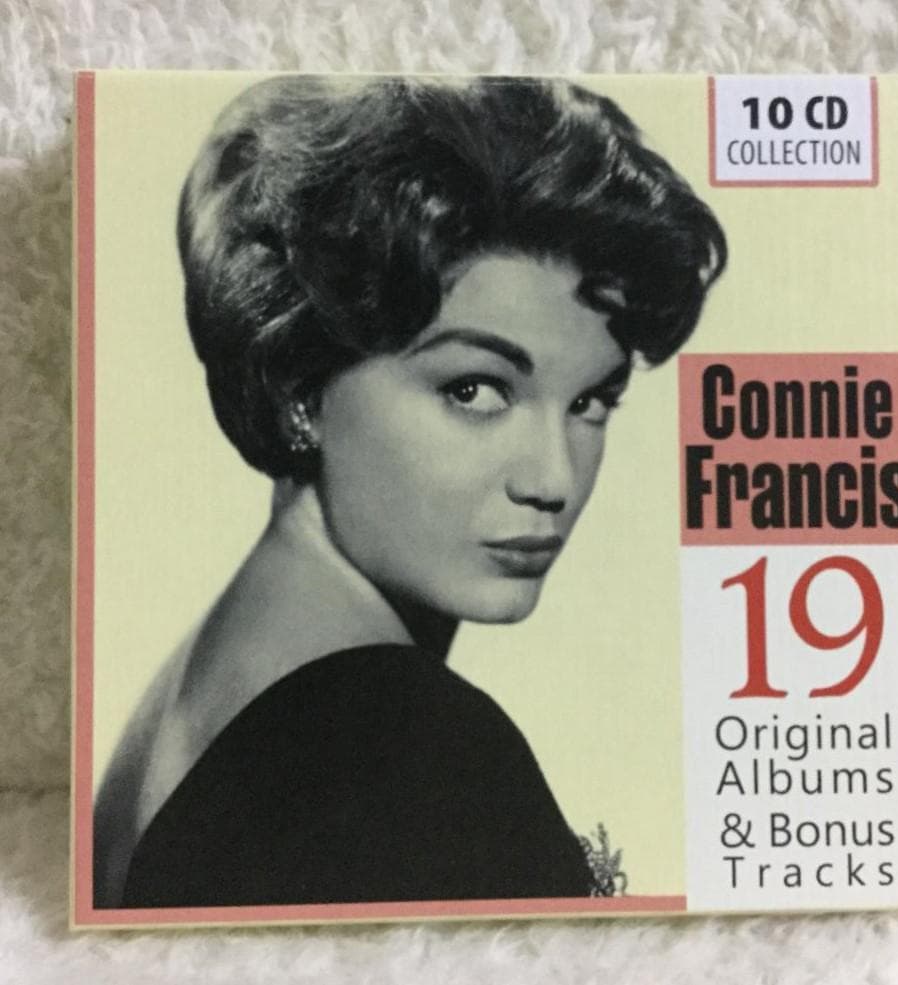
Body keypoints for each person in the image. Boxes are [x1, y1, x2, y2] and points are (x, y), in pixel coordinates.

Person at [93, 75, 727, 908]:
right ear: (300, 386)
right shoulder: (407, 739)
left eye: (590, 402)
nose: (553, 479)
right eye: (475, 389)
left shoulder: (200, 689)